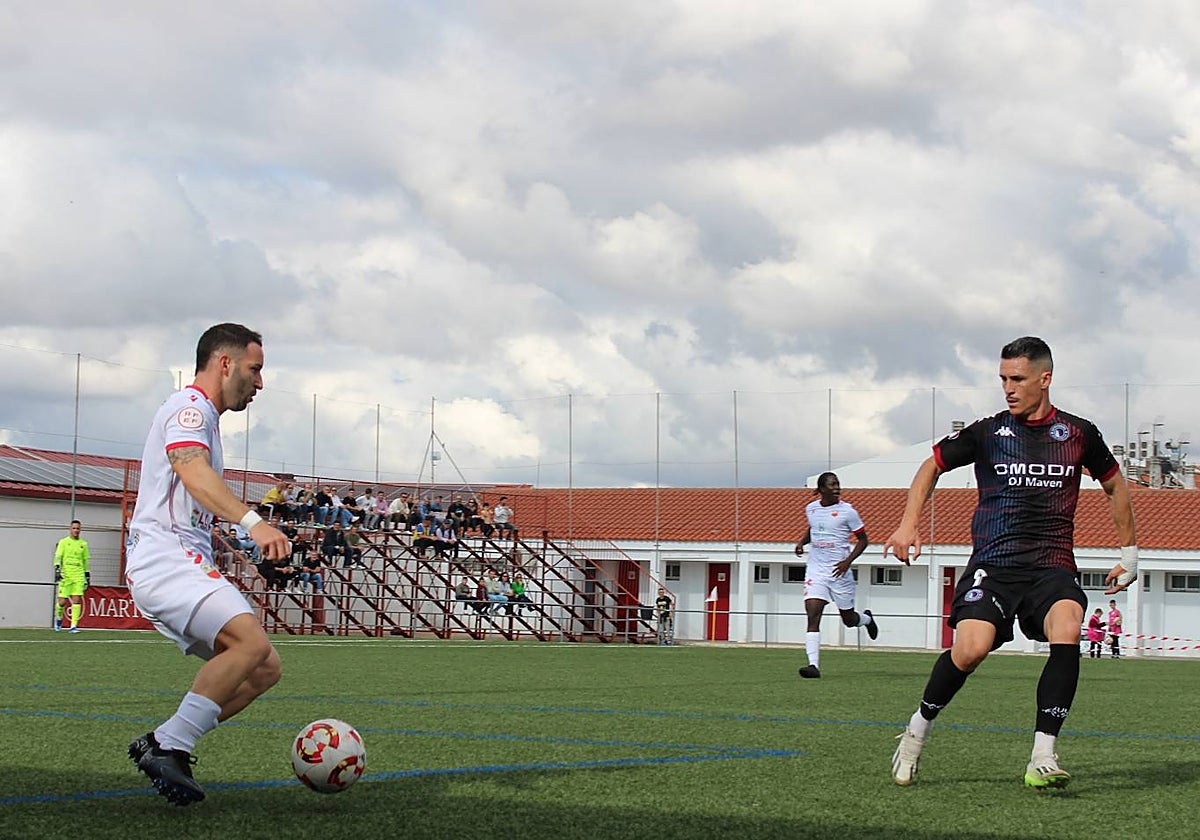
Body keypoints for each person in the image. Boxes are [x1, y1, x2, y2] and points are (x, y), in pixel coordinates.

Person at [884, 337, 1138, 790]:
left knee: (1068, 628)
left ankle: (1043, 754)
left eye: (1017, 378)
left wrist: (1129, 554)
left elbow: (1116, 486)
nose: (1008, 388)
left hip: (1050, 564)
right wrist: (908, 525)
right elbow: (931, 466)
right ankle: (916, 731)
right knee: (971, 649)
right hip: (994, 564)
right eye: (1003, 379)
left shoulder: (1078, 434)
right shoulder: (988, 432)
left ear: (1045, 379)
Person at [124, 323, 290, 805]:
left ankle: (164, 741)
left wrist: (252, 550)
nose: (259, 383)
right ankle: (169, 744)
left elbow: (194, 501)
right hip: (165, 559)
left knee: (262, 668)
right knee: (249, 641)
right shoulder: (189, 408)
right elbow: (190, 468)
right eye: (255, 370)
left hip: (178, 558)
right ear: (225, 363)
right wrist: (253, 522)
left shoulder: (203, 418)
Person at [793, 472, 877, 678]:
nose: (837, 487)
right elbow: (813, 529)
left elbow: (863, 540)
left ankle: (866, 620)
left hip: (839, 571)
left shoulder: (848, 512)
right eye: (832, 484)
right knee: (812, 613)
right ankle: (813, 666)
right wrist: (802, 542)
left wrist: (847, 562)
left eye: (838, 484)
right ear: (822, 489)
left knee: (848, 620)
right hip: (816, 570)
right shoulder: (811, 509)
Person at [53, 519, 90, 633]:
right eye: (74, 528)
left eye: (78, 528)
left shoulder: (83, 544)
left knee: (77, 599)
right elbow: (58, 557)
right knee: (62, 602)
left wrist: (87, 575)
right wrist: (57, 570)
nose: (76, 530)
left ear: (80, 530)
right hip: (66, 575)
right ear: (70, 529)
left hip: (78, 575)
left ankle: (73, 626)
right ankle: (59, 619)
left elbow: (85, 561)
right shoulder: (63, 542)